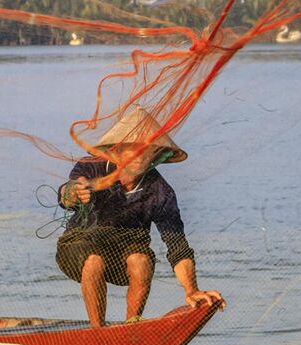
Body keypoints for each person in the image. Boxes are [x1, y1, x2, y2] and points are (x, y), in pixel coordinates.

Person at [55, 108, 225, 328]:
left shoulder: (160, 191)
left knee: (141, 262)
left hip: (125, 251)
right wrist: (72, 193)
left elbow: (177, 246)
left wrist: (191, 289)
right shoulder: (91, 166)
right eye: (132, 149)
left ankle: (132, 326)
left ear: (156, 154)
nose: (139, 156)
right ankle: (97, 330)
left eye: (147, 150)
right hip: (80, 244)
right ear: (117, 150)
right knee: (94, 261)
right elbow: (66, 195)